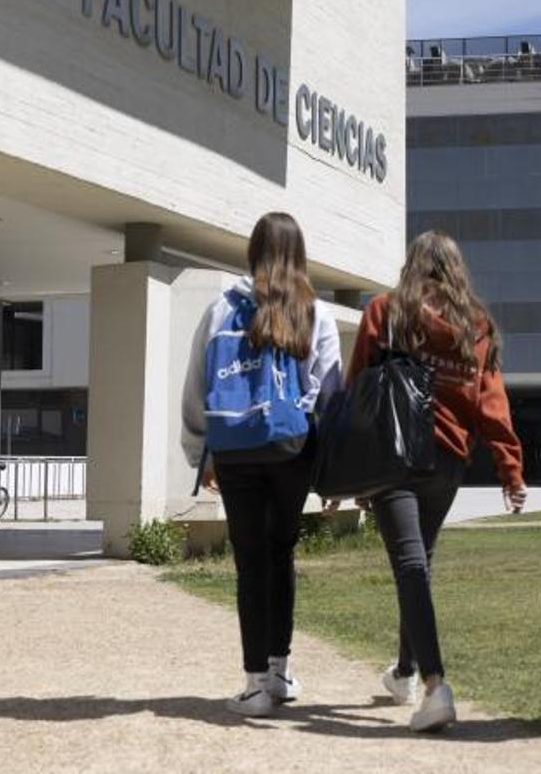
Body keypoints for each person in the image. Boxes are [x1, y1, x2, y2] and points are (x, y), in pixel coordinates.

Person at [344, 231, 527, 733]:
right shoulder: (476, 325)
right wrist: (511, 467)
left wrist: (350, 463)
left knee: (410, 565)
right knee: (417, 565)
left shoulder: (386, 311)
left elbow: (358, 384)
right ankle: (404, 672)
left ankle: (434, 685)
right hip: (448, 461)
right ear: (456, 270)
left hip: (394, 458)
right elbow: (492, 405)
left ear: (413, 265)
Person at [182, 211, 342, 717]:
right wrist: (323, 458)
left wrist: (199, 449)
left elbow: (197, 383)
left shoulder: (220, 308)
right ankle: (279, 670)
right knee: (281, 553)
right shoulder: (316, 313)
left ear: (253, 251)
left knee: (249, 561)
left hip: (234, 450)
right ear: (300, 254)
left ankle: (254, 685)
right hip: (291, 450)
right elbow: (328, 392)